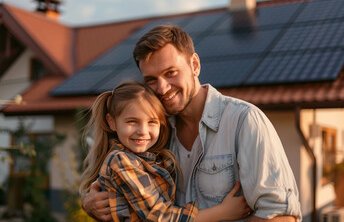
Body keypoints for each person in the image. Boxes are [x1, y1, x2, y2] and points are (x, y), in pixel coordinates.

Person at [82, 25, 302, 221]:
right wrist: (90, 204)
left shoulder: (244, 121)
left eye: (171, 73)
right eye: (151, 80)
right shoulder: (152, 133)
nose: (162, 88)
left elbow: (281, 215)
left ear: (194, 65)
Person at [79, 80, 252, 222]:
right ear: (112, 122)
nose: (143, 131)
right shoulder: (122, 161)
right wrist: (223, 212)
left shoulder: (152, 157)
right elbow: (160, 217)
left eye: (152, 122)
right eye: (132, 121)